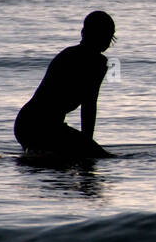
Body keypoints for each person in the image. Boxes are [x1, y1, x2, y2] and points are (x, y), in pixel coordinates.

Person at [14, 11, 115, 160]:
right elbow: (89, 106)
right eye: (108, 36)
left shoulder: (67, 53)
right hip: (43, 127)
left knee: (59, 169)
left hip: (25, 125)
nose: (108, 42)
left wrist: (86, 145)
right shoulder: (97, 63)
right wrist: (87, 145)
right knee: (100, 158)